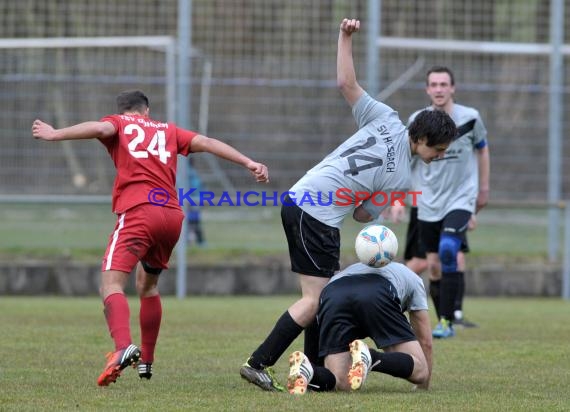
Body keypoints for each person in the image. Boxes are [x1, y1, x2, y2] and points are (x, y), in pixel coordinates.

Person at [239, 18, 456, 392]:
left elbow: (345, 83)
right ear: (420, 139)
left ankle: (312, 369)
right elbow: (360, 215)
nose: (438, 156)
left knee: (323, 295)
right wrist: (381, 209)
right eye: (437, 150)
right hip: (318, 215)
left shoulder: (386, 117)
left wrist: (344, 36)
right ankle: (258, 362)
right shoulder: (402, 178)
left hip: (300, 196)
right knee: (316, 298)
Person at [32, 90, 269, 386]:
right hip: (171, 216)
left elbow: (102, 128)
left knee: (111, 284)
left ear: (123, 111)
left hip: (140, 213)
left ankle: (122, 347)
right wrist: (249, 163)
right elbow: (206, 143)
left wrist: (55, 134)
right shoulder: (168, 130)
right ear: (147, 111)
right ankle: (147, 360)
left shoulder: (117, 123)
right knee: (148, 285)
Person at [408, 66, 490, 338]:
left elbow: (482, 149)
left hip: (461, 196)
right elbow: (407, 159)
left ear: (452, 88)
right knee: (432, 265)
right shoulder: (417, 120)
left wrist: (483, 188)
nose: (439, 89)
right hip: (428, 201)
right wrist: (397, 197)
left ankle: (448, 321)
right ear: (427, 89)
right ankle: (443, 320)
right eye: (434, 84)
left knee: (448, 249)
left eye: (444, 84)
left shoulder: (470, 118)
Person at [286, 261, 432, 394]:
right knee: (421, 371)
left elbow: (317, 316)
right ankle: (372, 357)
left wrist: (315, 359)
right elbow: (425, 341)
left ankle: (309, 372)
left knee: (342, 382)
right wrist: (423, 385)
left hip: (334, 293)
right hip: (378, 294)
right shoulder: (413, 279)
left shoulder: (350, 269)